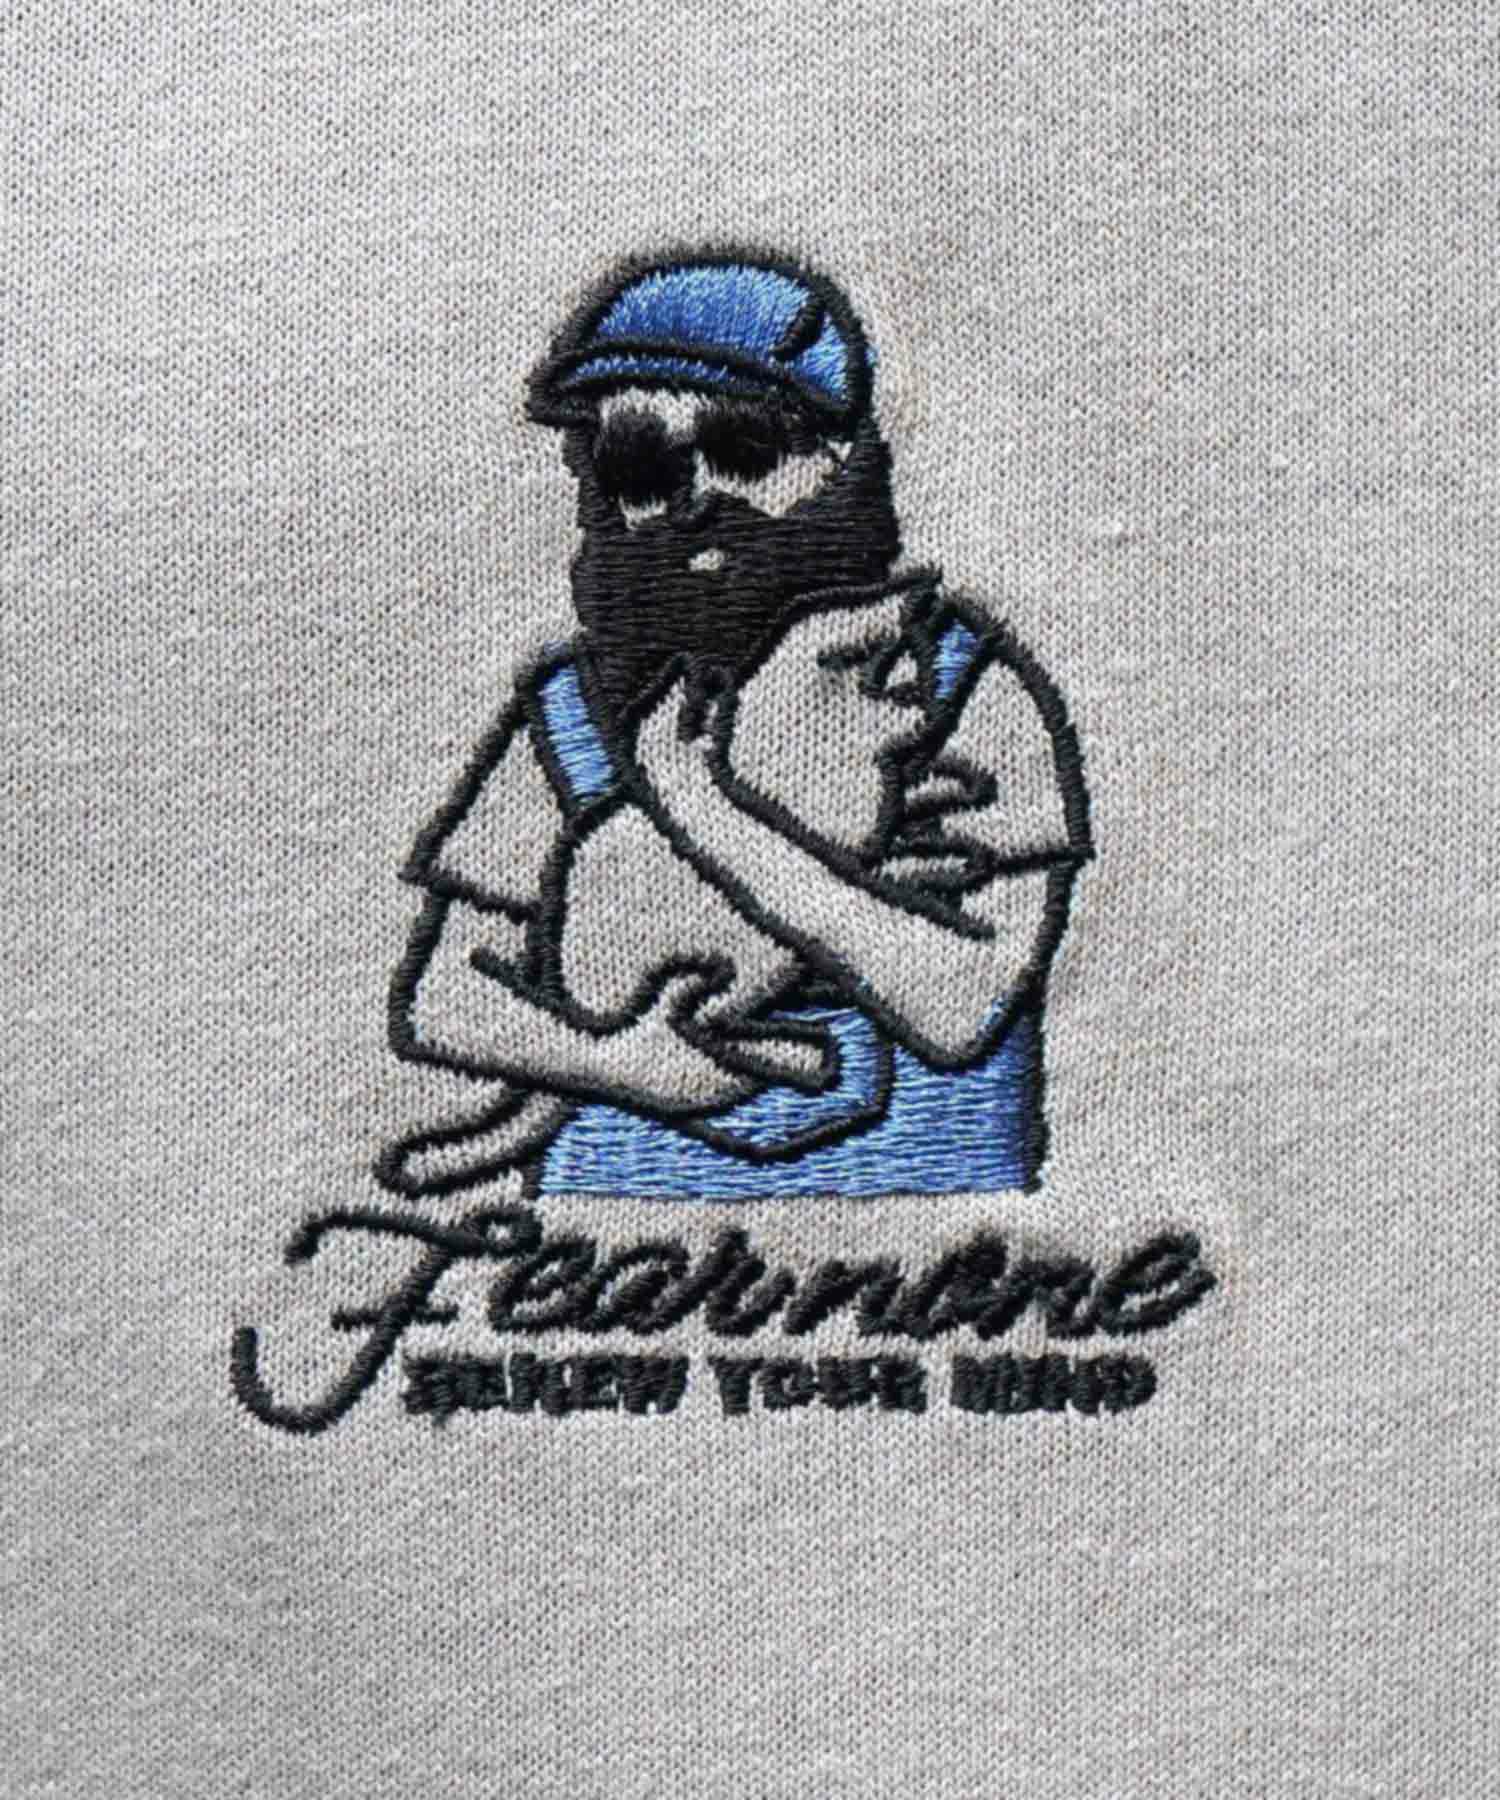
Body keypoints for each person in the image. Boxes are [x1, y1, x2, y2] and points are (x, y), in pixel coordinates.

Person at [378, 251, 1091, 1201]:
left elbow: (964, 1008)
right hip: (607, 1235)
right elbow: (446, 996)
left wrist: (708, 813)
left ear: (843, 463)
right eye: (640, 464)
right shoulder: (572, 708)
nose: (696, 501)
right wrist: (630, 1066)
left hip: (938, 1232)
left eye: (746, 450)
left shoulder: (946, 687)